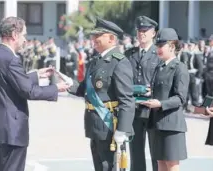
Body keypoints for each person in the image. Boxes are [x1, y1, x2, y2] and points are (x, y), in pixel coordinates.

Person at [0, 17, 69, 171]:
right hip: (12, 130)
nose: (25, 39)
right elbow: (29, 91)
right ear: (14, 35)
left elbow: (7, 81)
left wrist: (36, 75)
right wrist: (56, 88)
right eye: (23, 34)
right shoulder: (11, 59)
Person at [61, 18, 135, 171]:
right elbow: (85, 90)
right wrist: (69, 83)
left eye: (98, 36)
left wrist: (122, 130)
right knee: (99, 166)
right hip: (94, 125)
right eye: (93, 36)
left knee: (109, 167)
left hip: (109, 127)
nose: (93, 40)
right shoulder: (96, 61)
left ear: (111, 38)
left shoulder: (119, 62)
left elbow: (127, 100)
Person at [141, 28, 190, 171]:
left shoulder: (179, 68)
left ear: (172, 46)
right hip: (156, 122)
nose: (158, 49)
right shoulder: (159, 67)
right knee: (160, 163)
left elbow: (180, 98)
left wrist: (160, 104)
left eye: (161, 45)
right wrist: (149, 93)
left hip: (171, 124)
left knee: (171, 164)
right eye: (157, 45)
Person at [125, 15, 160, 171]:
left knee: (156, 153)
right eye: (139, 30)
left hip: (154, 109)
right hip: (135, 109)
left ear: (153, 33)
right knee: (136, 152)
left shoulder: (159, 53)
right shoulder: (129, 54)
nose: (142, 33)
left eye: (145, 30)